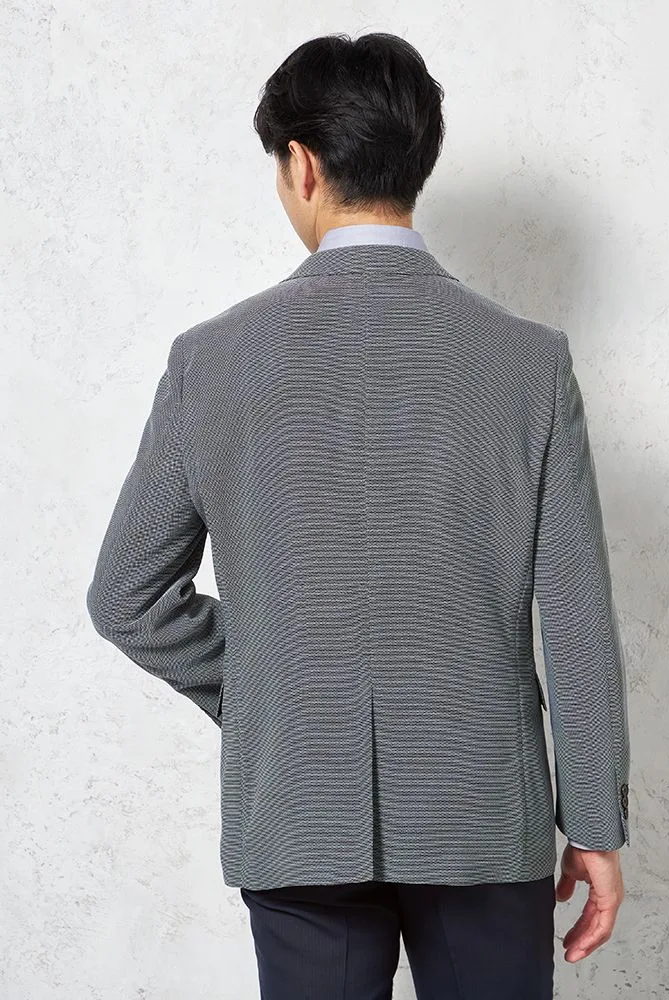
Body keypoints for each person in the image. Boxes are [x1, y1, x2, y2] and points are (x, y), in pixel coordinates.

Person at [86, 30, 631, 1000]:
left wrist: (275, 688)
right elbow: (577, 621)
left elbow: (127, 595)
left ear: (301, 165)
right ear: (417, 157)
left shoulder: (211, 361)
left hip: (299, 805)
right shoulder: (528, 363)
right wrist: (593, 823)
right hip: (478, 809)